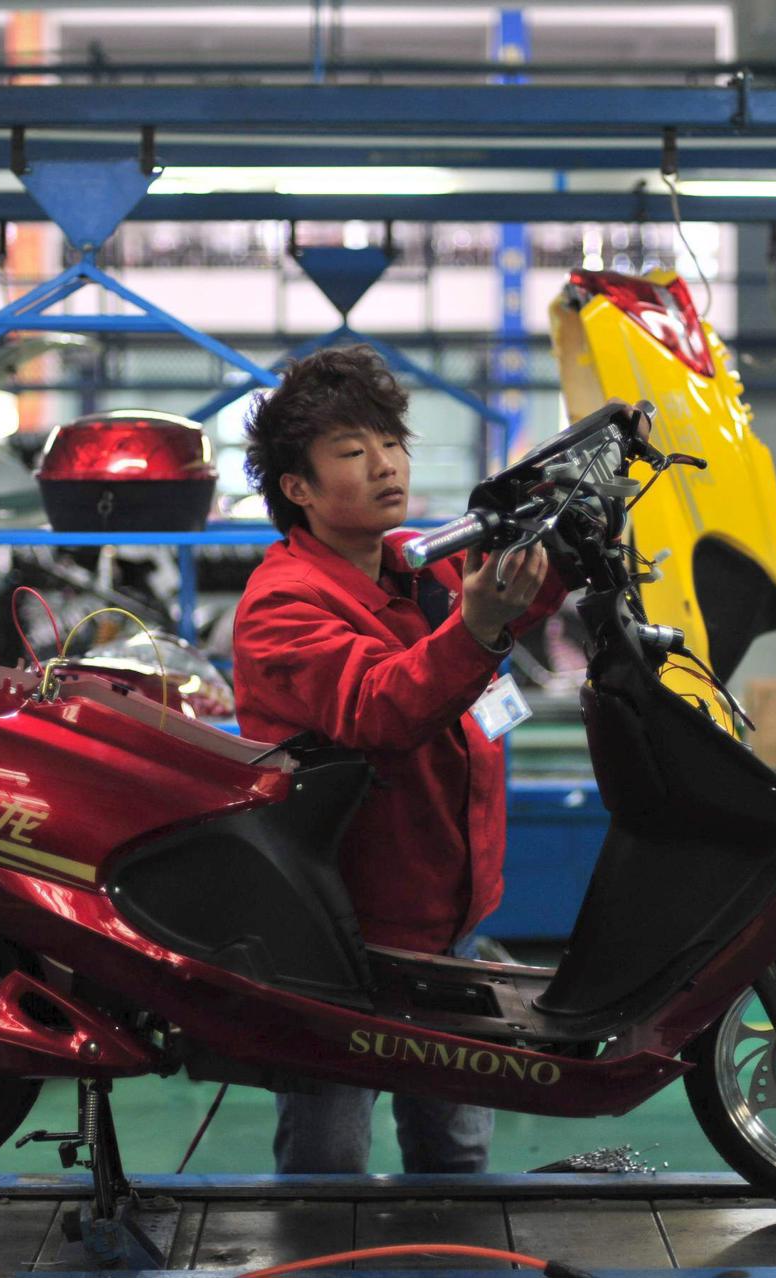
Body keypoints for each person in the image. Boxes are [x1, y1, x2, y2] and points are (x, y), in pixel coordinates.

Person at [231, 345, 564, 1174]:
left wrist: (575, 532)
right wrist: (476, 630)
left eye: (391, 442)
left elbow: (521, 594)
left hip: (446, 927)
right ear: (297, 490)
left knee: (455, 1156)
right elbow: (377, 707)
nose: (386, 465)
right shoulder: (281, 604)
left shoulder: (422, 558)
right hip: (339, 942)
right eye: (351, 451)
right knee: (327, 1163)